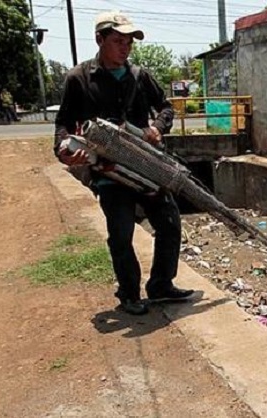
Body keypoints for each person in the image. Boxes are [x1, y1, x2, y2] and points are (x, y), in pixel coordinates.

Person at [54, 11, 195, 315]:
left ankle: (160, 285)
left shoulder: (139, 75)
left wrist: (158, 126)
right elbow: (63, 123)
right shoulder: (78, 78)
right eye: (118, 41)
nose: (125, 48)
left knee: (169, 221)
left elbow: (166, 107)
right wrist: (63, 150)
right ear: (99, 40)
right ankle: (129, 294)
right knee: (121, 233)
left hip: (147, 164)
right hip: (108, 170)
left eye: (129, 42)